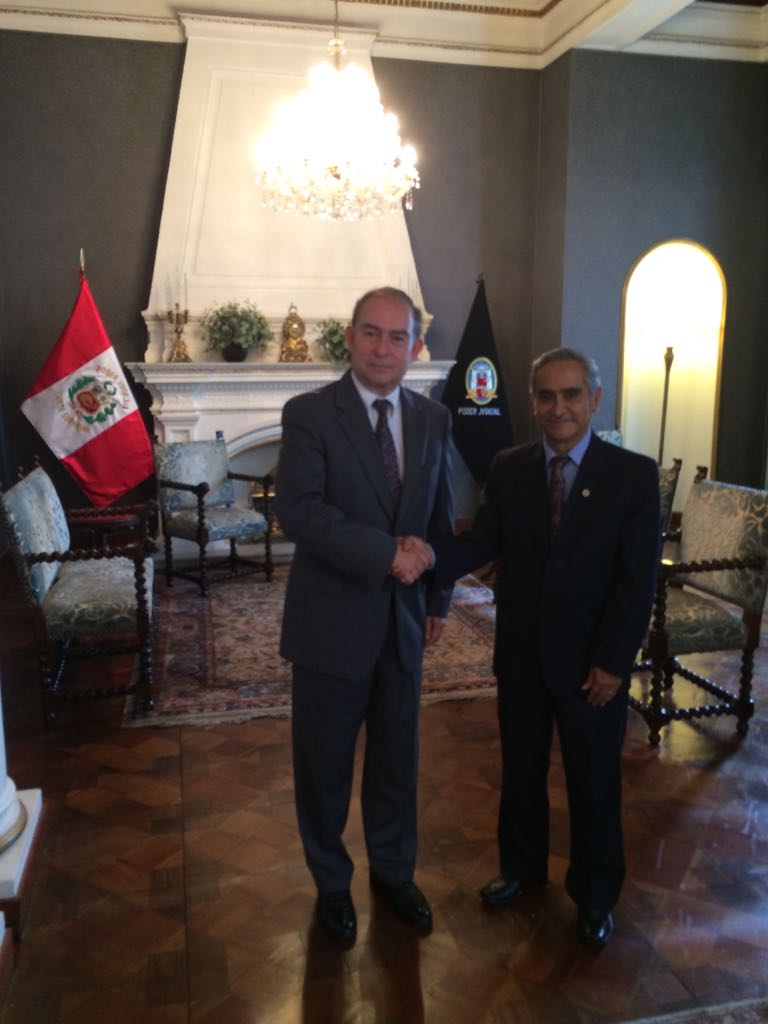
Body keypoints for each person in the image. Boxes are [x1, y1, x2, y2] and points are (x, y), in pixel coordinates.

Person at [400, 347, 660, 946]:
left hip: (592, 665)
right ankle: (520, 870)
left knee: (593, 782)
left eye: (571, 394)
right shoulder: (510, 466)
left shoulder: (632, 475)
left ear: (595, 399)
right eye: (546, 395)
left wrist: (613, 662)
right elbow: (482, 542)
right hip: (521, 655)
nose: (558, 407)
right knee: (520, 773)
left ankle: (595, 896)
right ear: (533, 402)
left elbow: (636, 579)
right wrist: (431, 554)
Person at [276, 286, 454, 944]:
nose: (384, 348)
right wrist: (387, 555)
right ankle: (331, 883)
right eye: (372, 333)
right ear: (350, 338)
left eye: (397, 336)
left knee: (397, 761)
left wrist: (437, 596)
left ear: (415, 346)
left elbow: (439, 514)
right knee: (323, 766)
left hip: (404, 624)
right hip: (330, 627)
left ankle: (393, 873)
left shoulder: (433, 418)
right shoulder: (309, 414)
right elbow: (299, 512)